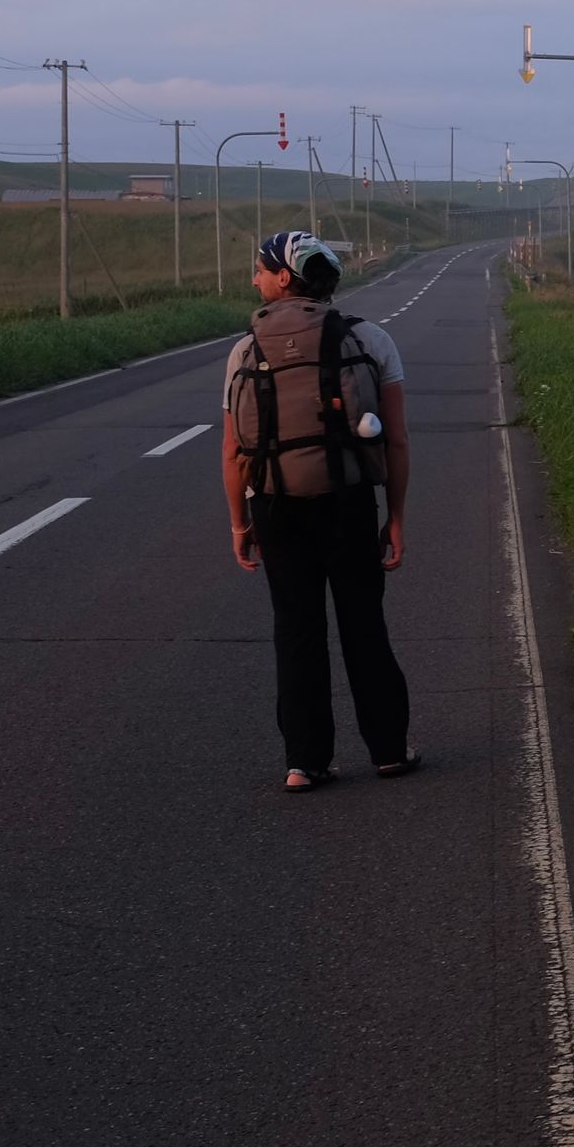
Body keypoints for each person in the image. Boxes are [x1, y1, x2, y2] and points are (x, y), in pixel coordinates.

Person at [220, 229, 417, 792]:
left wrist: (240, 522)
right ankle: (388, 750)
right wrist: (395, 516)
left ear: (285, 277)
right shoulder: (370, 339)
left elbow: (234, 450)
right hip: (348, 500)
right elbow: (396, 439)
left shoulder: (244, 349)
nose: (254, 278)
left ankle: (305, 761)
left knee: (296, 629)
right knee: (363, 624)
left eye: (260, 269)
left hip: (275, 506)